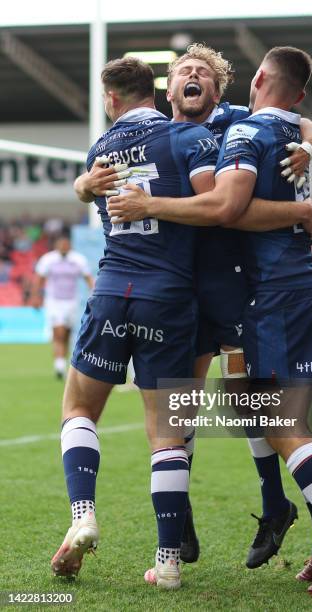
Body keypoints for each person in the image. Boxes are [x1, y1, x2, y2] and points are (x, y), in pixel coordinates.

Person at [107, 46, 312, 596]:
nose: (192, 76)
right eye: (183, 70)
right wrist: (85, 186)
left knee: (258, 402)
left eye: (204, 73)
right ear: (167, 88)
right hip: (182, 293)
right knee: (172, 408)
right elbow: (101, 177)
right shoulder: (154, 133)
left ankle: (281, 507)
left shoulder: (239, 123)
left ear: (221, 89)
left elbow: (300, 122)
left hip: (243, 288)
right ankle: (180, 525)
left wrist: (306, 144)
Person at [51, 56, 220, 588]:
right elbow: (219, 204)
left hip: (111, 290)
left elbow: (86, 189)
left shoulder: (100, 150)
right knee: (166, 436)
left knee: (78, 407)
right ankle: (168, 563)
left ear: (111, 99)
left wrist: (83, 185)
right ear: (156, 91)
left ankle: (83, 516)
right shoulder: (187, 139)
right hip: (168, 297)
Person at [31, 234, 94, 378]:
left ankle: (62, 362)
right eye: (62, 244)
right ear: (57, 246)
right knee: (58, 331)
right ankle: (59, 366)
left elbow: (88, 278)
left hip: (71, 301)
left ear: (69, 246)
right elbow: (39, 279)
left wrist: (94, 294)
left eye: (66, 244)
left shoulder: (78, 259)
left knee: (66, 333)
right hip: (54, 301)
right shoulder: (48, 259)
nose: (64, 247)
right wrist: (35, 296)